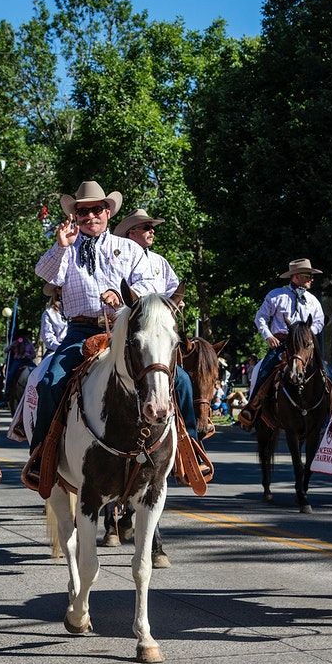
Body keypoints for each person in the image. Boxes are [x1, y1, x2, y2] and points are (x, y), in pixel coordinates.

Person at [27, 180, 188, 465]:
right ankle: (43, 455)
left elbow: (149, 285)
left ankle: (190, 451)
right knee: (51, 381)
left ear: (108, 212)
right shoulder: (67, 248)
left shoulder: (129, 249)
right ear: (74, 216)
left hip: (125, 330)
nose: (90, 216)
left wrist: (125, 299)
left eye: (96, 210)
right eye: (83, 211)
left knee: (183, 381)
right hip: (81, 331)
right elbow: (47, 276)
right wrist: (60, 246)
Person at [113, 207, 199, 434]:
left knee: (182, 382)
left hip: (157, 336)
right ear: (131, 232)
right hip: (124, 331)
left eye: (152, 227)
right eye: (146, 227)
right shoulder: (117, 257)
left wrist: (176, 304)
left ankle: (190, 442)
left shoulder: (160, 262)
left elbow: (174, 290)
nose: (152, 231)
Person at [234, 258, 327, 431]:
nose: (311, 279)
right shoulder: (276, 295)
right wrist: (268, 336)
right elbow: (260, 317)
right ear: (296, 276)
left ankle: (331, 413)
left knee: (325, 374)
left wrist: (306, 335)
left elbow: (320, 322)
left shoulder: (313, 300)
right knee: (263, 371)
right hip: (281, 344)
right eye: (308, 276)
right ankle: (252, 410)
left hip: (304, 347)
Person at [40, 284, 67, 352]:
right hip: (57, 348)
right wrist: (60, 348)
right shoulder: (49, 313)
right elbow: (48, 337)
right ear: (57, 290)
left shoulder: (79, 309)